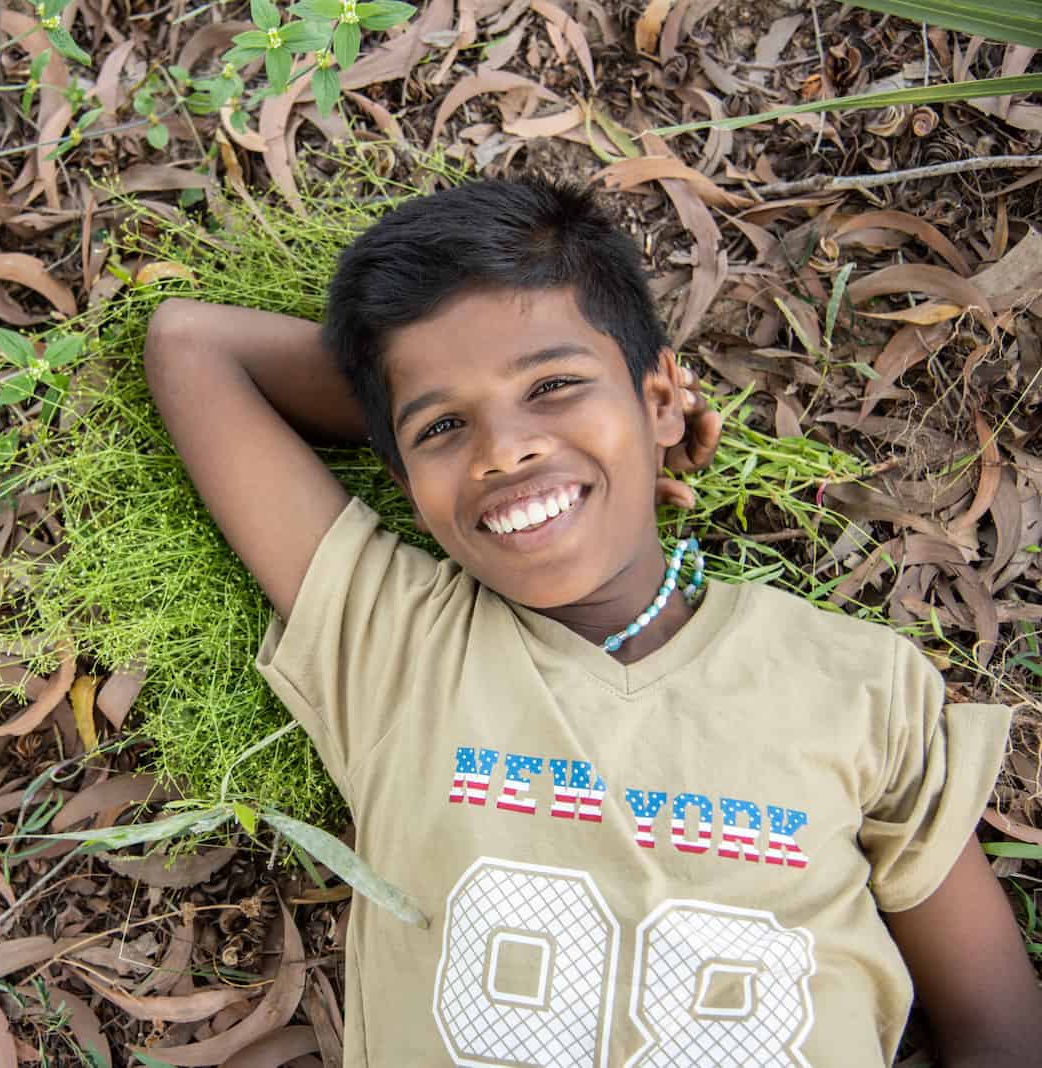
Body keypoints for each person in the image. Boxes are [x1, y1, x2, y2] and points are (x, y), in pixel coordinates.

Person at [140, 176, 1042, 1066]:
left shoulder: (856, 682)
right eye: (445, 429)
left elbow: (998, 1026)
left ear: (661, 400)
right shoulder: (394, 645)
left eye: (553, 387)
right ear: (407, 484)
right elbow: (192, 344)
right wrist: (448, 414)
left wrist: (586, 426)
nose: (505, 449)